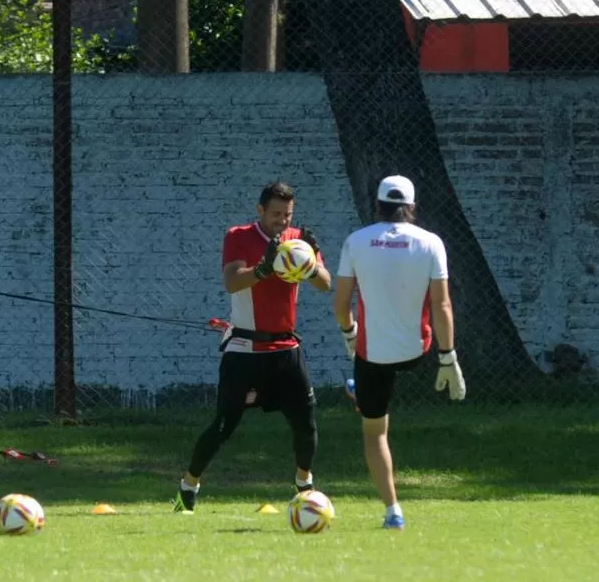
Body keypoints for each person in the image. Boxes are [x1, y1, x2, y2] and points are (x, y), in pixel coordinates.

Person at [173, 181, 333, 514]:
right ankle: (188, 486)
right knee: (222, 426)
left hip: (286, 349)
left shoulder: (298, 240)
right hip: (245, 350)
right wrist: (263, 268)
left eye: (287, 215)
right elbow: (232, 281)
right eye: (276, 214)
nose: (282, 221)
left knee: (306, 423)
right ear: (260, 210)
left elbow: (325, 284)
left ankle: (304, 484)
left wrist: (312, 265)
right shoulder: (238, 236)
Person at [334, 174, 466, 530]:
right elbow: (443, 305)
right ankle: (359, 390)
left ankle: (393, 512)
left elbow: (342, 302)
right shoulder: (431, 243)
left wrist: (349, 334)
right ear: (410, 208)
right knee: (389, 374)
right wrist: (447, 357)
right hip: (416, 353)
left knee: (375, 432)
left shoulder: (356, 241)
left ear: (377, 205)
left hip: (370, 356)